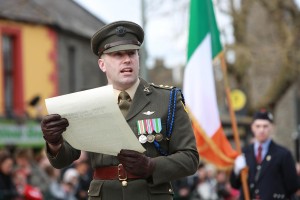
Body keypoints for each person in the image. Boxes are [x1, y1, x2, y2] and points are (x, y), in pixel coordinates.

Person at [40, 20, 199, 200]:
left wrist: (151, 166)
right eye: (117, 54)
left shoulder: (167, 99)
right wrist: (54, 143)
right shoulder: (86, 103)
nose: (127, 60)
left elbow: (190, 159)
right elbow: (63, 160)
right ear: (102, 64)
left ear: (139, 58)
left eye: (132, 53)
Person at [230, 109, 299, 199]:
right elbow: (234, 185)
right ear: (252, 127)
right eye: (258, 126)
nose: (261, 130)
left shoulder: (283, 154)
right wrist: (236, 171)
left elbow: (293, 186)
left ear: (272, 127)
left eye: (265, 126)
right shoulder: (244, 153)